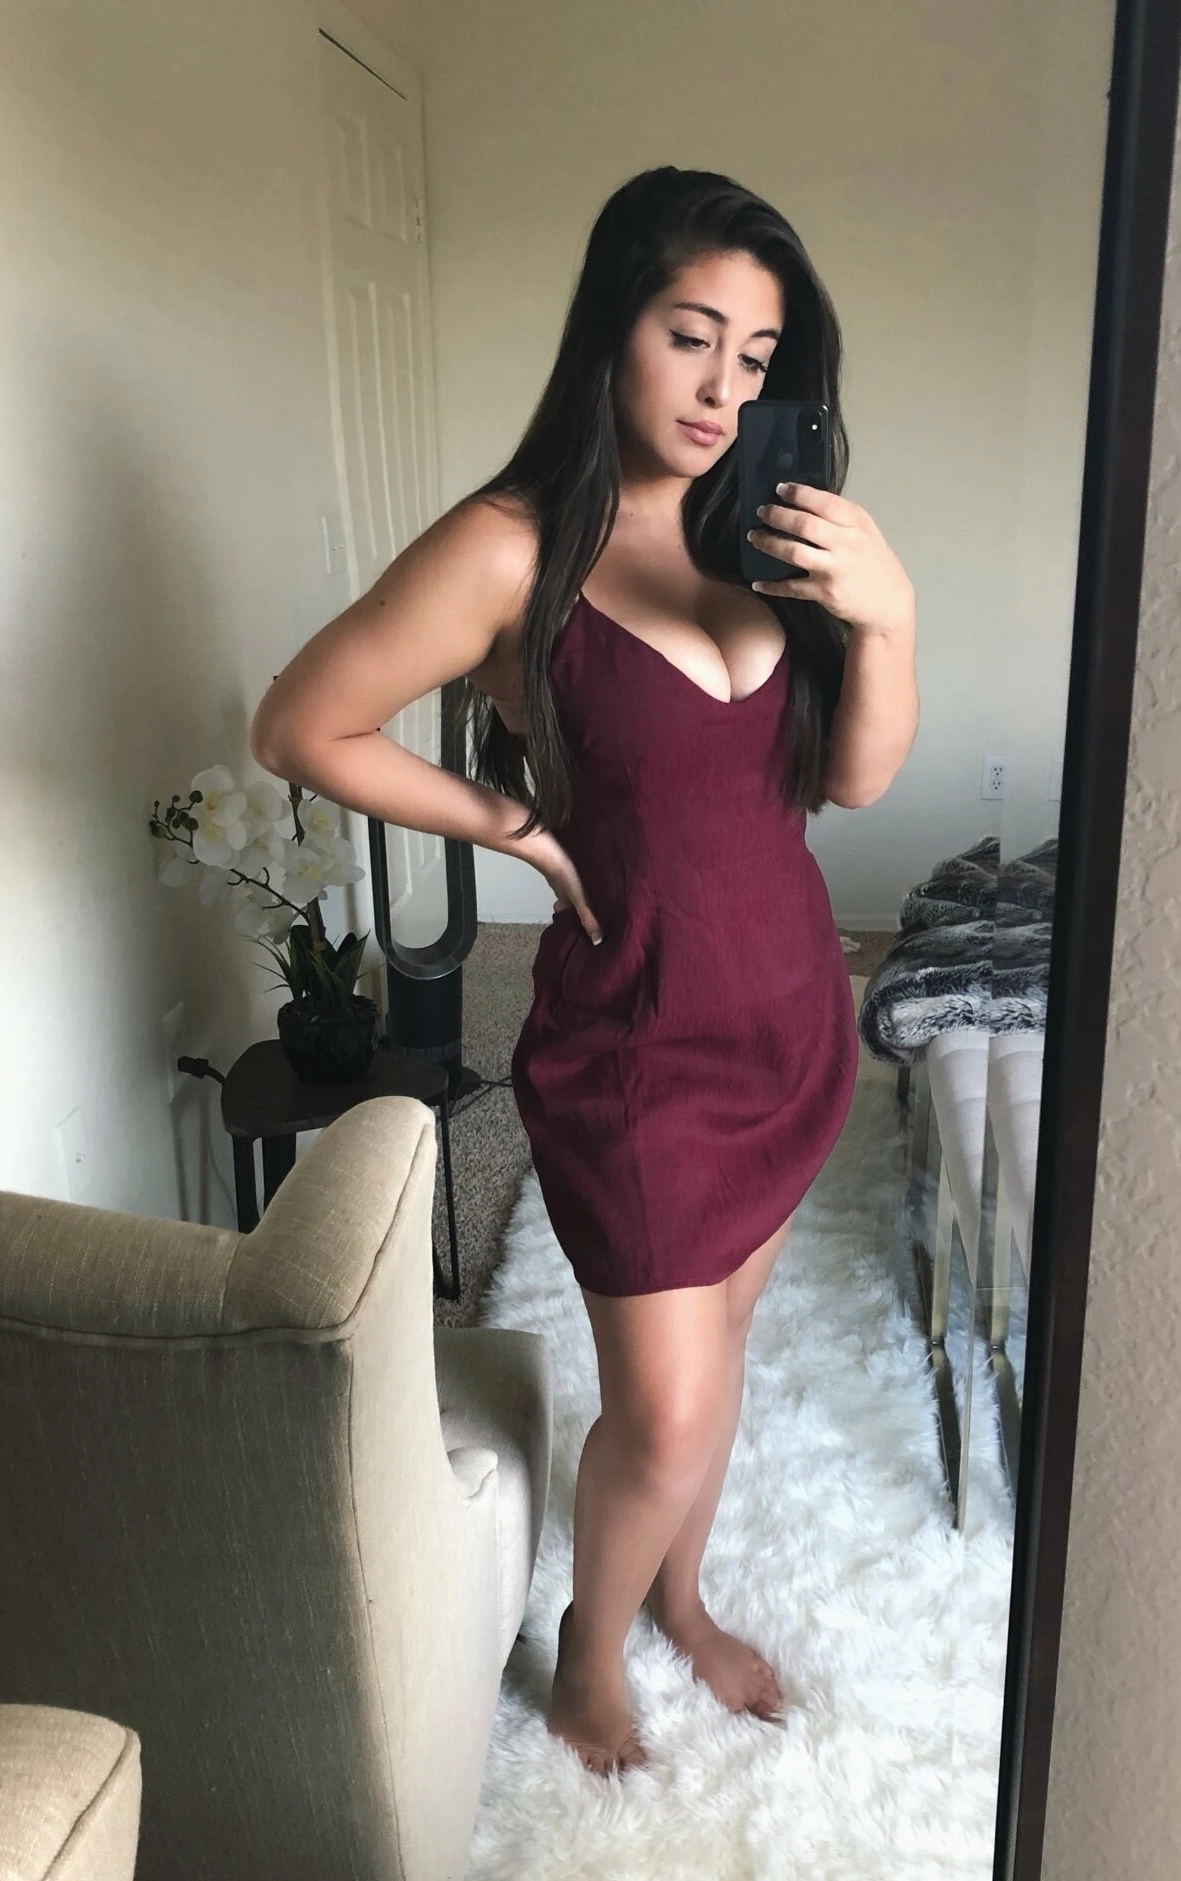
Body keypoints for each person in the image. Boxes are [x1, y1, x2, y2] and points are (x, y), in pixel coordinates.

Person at [251, 166, 918, 1775]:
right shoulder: (512, 545)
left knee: (720, 1355)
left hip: (790, 1021)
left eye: (757, 358)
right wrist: (519, 830)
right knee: (664, 1410)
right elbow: (302, 724)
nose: (722, 388)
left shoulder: (767, 527)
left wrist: (888, 619)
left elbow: (851, 782)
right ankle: (588, 1651)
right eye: (690, 335)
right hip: (635, 1043)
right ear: (612, 326)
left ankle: (679, 1596)